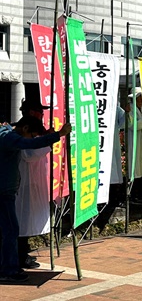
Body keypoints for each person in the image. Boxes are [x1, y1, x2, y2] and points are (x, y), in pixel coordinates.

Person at [0, 116, 71, 282]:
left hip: (6, 190)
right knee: (10, 230)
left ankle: (7, 267)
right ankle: (8, 271)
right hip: (4, 192)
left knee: (7, 231)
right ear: (25, 129)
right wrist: (59, 134)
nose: (32, 138)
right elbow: (29, 145)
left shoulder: (7, 133)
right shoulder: (8, 137)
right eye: (32, 134)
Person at [15, 99, 51, 270]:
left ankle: (22, 253)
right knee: (21, 220)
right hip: (23, 184)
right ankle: (19, 256)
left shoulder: (36, 129)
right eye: (39, 111)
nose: (42, 114)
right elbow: (28, 154)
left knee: (26, 219)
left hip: (33, 182)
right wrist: (48, 142)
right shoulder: (21, 130)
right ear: (31, 112)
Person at [126, 87, 142, 203]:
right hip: (135, 141)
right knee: (135, 168)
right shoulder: (130, 109)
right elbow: (132, 125)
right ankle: (134, 194)